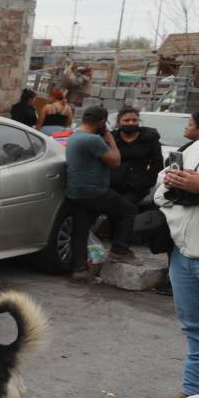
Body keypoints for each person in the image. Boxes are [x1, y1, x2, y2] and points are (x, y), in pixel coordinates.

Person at [148, 133, 199, 398]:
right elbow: (160, 193)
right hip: (183, 254)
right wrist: (174, 186)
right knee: (195, 329)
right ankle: (193, 396)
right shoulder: (195, 147)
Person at [66, 107, 139, 282]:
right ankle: (119, 250)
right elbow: (115, 161)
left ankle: (80, 269)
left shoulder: (75, 136)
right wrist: (110, 139)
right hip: (94, 192)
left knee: (80, 231)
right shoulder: (93, 140)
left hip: (76, 192)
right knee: (128, 210)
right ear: (102, 123)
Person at [110, 107, 164, 207]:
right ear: (118, 122)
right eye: (126, 120)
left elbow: (157, 163)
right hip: (113, 186)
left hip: (137, 187)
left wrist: (146, 182)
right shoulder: (111, 138)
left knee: (123, 208)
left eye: (134, 120)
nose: (131, 123)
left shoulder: (149, 138)